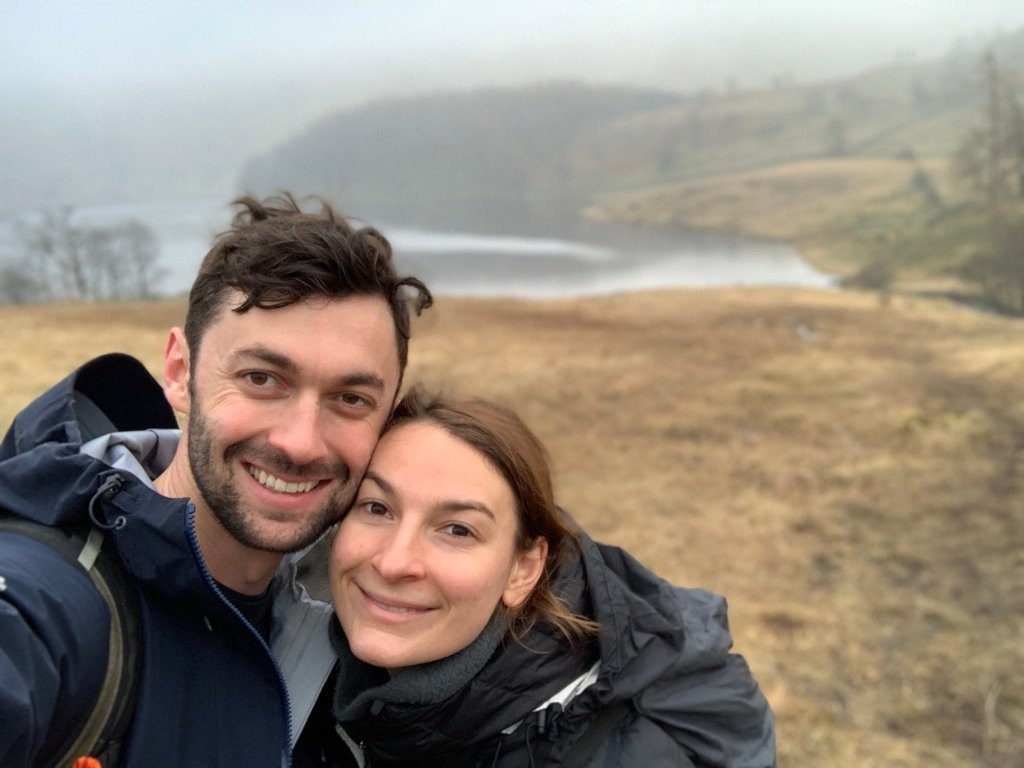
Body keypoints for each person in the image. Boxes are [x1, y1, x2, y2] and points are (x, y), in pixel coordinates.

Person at [0, 193, 432, 768]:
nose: (300, 443)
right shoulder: (47, 603)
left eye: (350, 399)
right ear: (180, 372)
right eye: (261, 379)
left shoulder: (365, 623)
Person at [311, 388, 776, 767]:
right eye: (377, 507)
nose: (393, 562)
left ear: (523, 570)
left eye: (457, 530)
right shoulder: (306, 657)